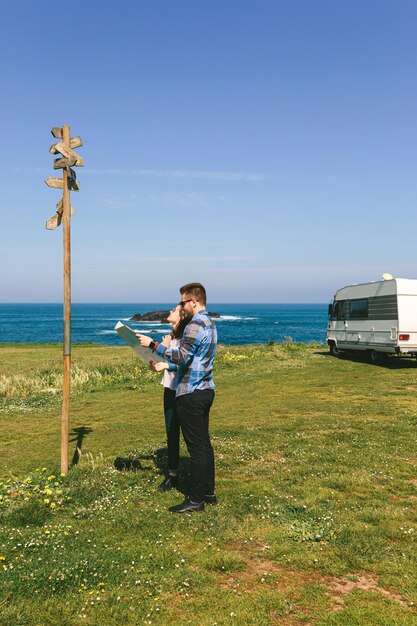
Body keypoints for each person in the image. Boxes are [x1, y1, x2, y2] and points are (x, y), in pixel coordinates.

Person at [137, 282, 217, 513]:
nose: (182, 306)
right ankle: (208, 493)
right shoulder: (210, 323)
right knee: (204, 444)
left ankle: (195, 500)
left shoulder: (194, 325)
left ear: (194, 301)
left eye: (183, 302)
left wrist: (153, 344)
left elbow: (182, 357)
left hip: (191, 392)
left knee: (196, 449)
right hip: (206, 389)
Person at [157, 305, 190, 493]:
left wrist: (166, 362)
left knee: (187, 433)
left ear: (182, 316)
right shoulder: (172, 337)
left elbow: (185, 365)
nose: (170, 311)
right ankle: (172, 476)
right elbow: (168, 362)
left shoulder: (186, 338)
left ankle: (196, 474)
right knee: (171, 432)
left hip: (183, 390)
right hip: (169, 389)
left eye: (174, 309)